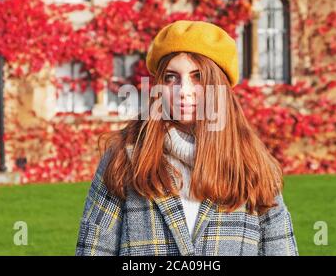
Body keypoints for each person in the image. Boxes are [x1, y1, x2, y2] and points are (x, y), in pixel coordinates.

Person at [75, 20, 298, 256]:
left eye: (198, 76)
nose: (184, 91)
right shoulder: (124, 157)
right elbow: (95, 249)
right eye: (171, 77)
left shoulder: (253, 166)